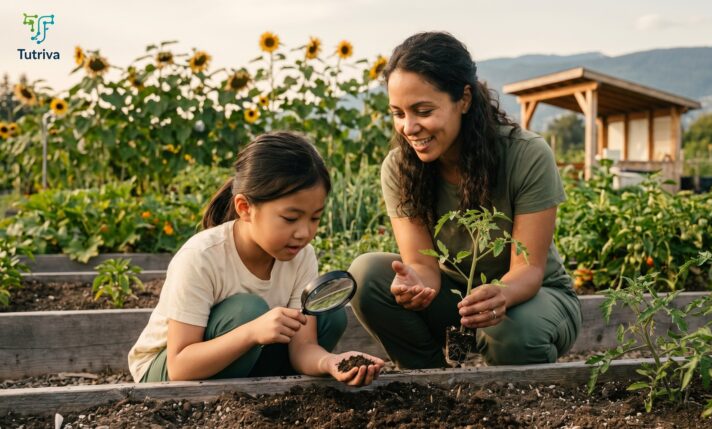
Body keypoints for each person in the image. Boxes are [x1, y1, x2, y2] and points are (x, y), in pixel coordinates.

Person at [349, 32, 582, 369]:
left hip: (530, 299)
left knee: (512, 332)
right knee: (367, 275)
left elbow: (528, 270)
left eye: (423, 111)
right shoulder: (399, 167)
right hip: (456, 299)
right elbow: (424, 266)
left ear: (464, 99)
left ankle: (520, 400)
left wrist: (501, 295)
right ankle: (430, 384)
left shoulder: (525, 154)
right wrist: (414, 286)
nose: (409, 127)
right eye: (398, 113)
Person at [128, 131, 384, 384]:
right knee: (247, 311)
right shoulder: (201, 257)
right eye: (290, 218)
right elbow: (179, 367)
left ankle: (260, 385)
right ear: (245, 208)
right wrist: (251, 332)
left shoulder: (301, 255)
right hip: (164, 372)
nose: (304, 232)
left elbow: (302, 347)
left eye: (315, 218)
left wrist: (330, 362)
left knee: (329, 316)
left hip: (241, 359)